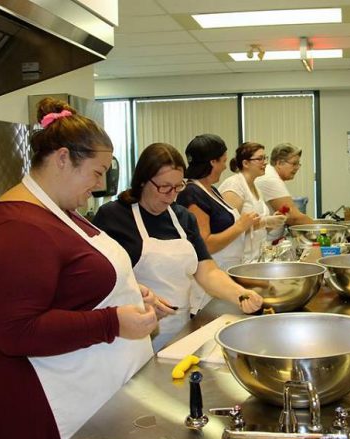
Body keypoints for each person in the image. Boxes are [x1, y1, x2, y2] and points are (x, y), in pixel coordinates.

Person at [0, 98, 164, 439]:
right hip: (34, 405)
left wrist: (127, 290)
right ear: (63, 158)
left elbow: (73, 284)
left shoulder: (60, 213)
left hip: (72, 388)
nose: (100, 184)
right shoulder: (16, 228)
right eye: (97, 172)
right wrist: (112, 320)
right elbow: (15, 329)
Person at [93, 143, 263, 352]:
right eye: (164, 187)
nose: (171, 195)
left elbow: (207, 271)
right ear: (143, 181)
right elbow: (100, 281)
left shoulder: (183, 218)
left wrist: (240, 294)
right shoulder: (113, 217)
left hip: (180, 330)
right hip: (133, 336)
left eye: (178, 187)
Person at [176, 134, 260, 270]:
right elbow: (205, 244)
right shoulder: (192, 193)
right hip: (213, 271)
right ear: (212, 162)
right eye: (223, 161)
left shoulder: (211, 190)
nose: (225, 167)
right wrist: (240, 226)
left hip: (228, 267)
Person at [219, 142, 287, 262]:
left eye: (265, 158)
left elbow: (258, 230)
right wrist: (265, 222)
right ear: (245, 163)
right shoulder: (234, 186)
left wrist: (272, 223)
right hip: (237, 261)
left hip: (255, 258)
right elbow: (229, 230)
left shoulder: (255, 187)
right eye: (260, 159)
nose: (265, 162)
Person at [255, 142, 314, 230]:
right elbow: (294, 218)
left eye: (298, 164)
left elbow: (286, 212)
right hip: (265, 240)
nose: (297, 167)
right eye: (294, 164)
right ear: (279, 163)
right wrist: (321, 229)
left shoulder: (270, 175)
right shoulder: (270, 178)